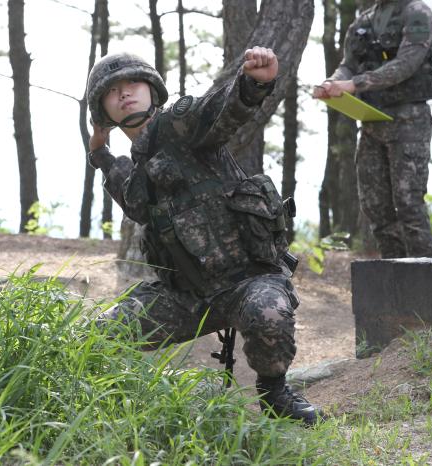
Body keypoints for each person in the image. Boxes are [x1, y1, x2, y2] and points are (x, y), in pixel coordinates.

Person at [85, 47, 327, 426]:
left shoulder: (181, 124)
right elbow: (132, 200)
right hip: (188, 298)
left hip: (248, 282)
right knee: (98, 335)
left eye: (133, 82)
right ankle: (109, 406)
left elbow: (222, 111)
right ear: (104, 110)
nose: (124, 93)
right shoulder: (140, 163)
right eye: (112, 91)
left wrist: (254, 83)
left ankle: (275, 393)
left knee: (269, 312)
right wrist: (100, 153)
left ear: (152, 89)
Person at [313, 0, 432, 258]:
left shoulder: (417, 13)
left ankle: (428, 283)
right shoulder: (362, 22)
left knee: (408, 206)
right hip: (372, 123)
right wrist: (333, 82)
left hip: (408, 123)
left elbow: (406, 64)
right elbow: (348, 63)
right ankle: (394, 279)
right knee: (375, 207)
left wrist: (354, 84)